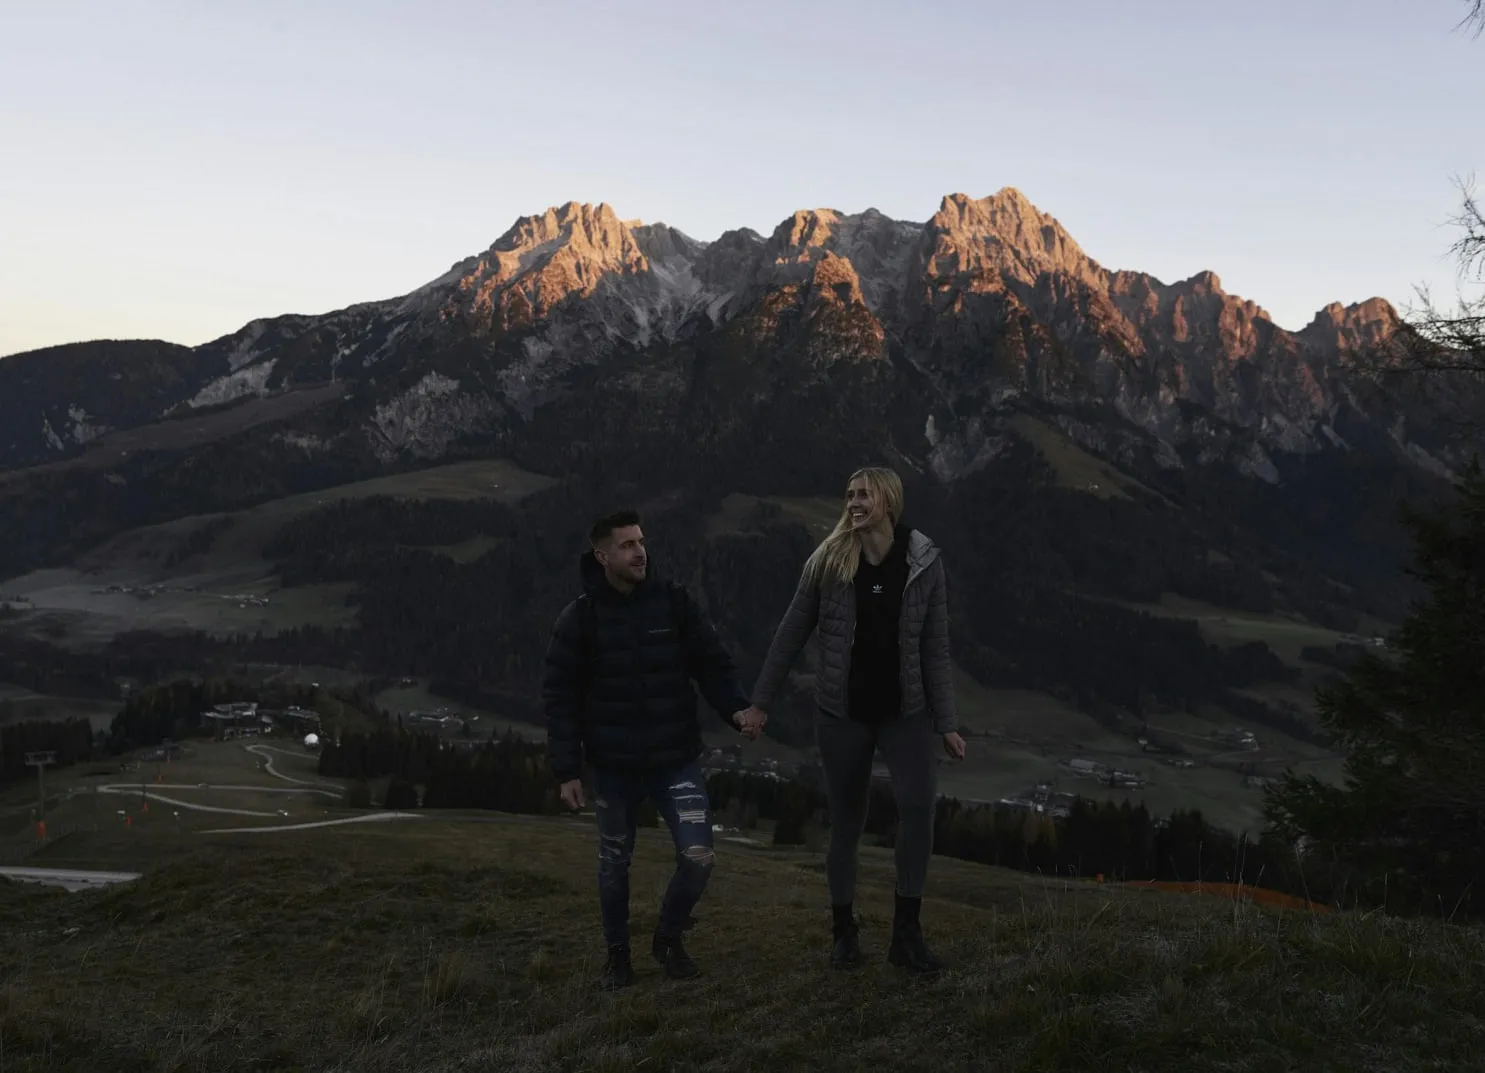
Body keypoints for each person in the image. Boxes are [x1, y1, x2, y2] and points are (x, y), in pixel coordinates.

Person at [743, 466, 964, 975]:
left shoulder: (925, 563)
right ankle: (844, 933)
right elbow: (789, 634)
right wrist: (760, 703)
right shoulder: (827, 561)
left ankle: (906, 935)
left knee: (918, 807)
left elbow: (935, 649)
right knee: (847, 822)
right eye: (849, 494)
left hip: (906, 714)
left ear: (888, 499)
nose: (854, 501)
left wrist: (947, 723)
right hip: (841, 716)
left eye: (864, 494)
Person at [543, 509, 764, 990]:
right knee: (614, 864)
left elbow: (711, 662)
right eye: (626, 545)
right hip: (614, 769)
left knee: (699, 856)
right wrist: (567, 770)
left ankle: (667, 939)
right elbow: (559, 699)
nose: (640, 551)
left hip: (675, 760)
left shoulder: (673, 602)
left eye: (641, 541)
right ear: (602, 556)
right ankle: (617, 957)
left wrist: (737, 710)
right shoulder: (579, 619)